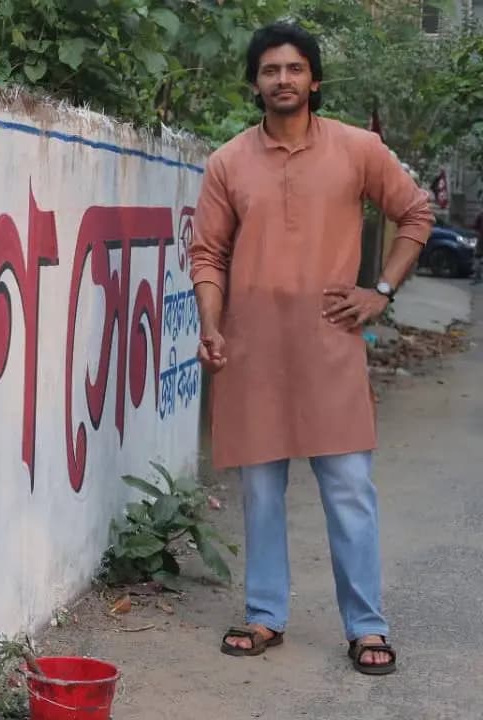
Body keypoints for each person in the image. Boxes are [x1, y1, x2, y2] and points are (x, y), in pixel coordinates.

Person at [188, 22, 432, 676]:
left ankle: (366, 625)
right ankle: (265, 614)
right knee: (262, 491)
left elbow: (416, 215)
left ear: (314, 80)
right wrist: (211, 324)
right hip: (251, 348)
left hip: (331, 345)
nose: (283, 80)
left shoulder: (359, 149)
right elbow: (207, 254)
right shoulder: (228, 162)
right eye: (270, 70)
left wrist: (379, 290)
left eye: (295, 69)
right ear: (256, 83)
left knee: (349, 488)